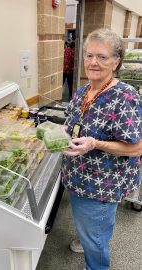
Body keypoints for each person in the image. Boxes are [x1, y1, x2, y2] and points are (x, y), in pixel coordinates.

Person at [61, 28, 142, 270]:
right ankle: (88, 237)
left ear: (116, 61)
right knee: (89, 225)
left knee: (96, 235)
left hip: (100, 185)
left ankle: (95, 263)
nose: (93, 62)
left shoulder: (124, 97)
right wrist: (61, 135)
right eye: (89, 55)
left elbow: (137, 147)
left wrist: (96, 144)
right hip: (78, 177)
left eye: (102, 57)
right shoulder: (83, 90)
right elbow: (72, 123)